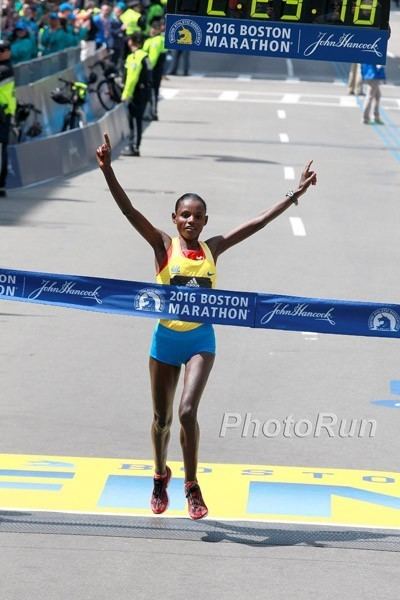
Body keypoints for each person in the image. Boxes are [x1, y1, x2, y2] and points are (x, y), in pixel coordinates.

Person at [96, 132, 317, 519]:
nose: (191, 221)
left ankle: (192, 485)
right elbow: (130, 211)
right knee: (161, 420)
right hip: (165, 341)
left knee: (185, 412)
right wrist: (108, 170)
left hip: (201, 340)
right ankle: (159, 473)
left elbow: (258, 223)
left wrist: (295, 194)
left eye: (197, 216)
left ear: (205, 221)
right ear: (174, 219)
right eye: (185, 215)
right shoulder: (164, 246)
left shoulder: (213, 248)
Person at [121, 31, 152, 156]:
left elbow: (131, 78)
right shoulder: (146, 56)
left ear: (132, 42)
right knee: (138, 120)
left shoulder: (135, 57)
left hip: (136, 93)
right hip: (145, 92)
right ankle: (136, 146)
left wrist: (126, 94)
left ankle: (132, 146)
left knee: (133, 120)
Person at [0, 39, 16, 197]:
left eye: (1, 50)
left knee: (1, 149)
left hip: (2, 114)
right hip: (5, 113)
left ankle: (1, 184)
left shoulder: (4, 69)